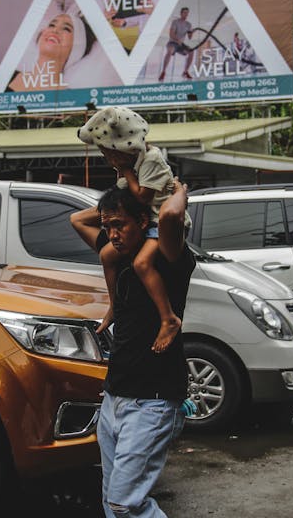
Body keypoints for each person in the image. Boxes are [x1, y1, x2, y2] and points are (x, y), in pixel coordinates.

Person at [70, 181, 196, 517]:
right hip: (114, 398)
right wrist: (123, 189)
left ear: (143, 222)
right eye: (107, 226)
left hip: (151, 403)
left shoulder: (167, 259)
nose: (111, 234)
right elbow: (78, 220)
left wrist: (179, 191)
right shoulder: (118, 255)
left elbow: (170, 214)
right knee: (112, 506)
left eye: (119, 225)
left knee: (124, 503)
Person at [77, 106, 192, 353]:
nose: (108, 160)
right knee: (106, 255)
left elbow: (141, 197)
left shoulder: (150, 159)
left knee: (141, 264)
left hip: (158, 225)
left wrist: (181, 193)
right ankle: (114, 305)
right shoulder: (133, 166)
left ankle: (168, 318)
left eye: (109, 154)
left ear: (123, 148)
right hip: (148, 222)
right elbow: (117, 200)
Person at [6, 13, 94, 92]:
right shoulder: (6, 76)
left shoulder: (70, 99)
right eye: (51, 25)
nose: (55, 30)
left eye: (66, 29)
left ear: (77, 47)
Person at [159, 7, 194, 81]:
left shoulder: (188, 24)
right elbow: (171, 34)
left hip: (180, 45)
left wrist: (191, 32)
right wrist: (177, 40)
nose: (186, 14)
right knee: (170, 51)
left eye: (187, 13)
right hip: (172, 42)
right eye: (184, 12)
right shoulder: (175, 22)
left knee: (191, 52)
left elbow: (190, 37)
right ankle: (163, 72)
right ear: (181, 13)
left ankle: (185, 71)